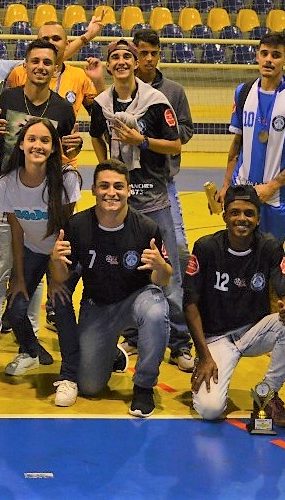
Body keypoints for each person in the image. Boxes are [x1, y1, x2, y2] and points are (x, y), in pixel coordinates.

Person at [0, 39, 79, 368]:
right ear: (25, 64)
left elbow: (64, 155)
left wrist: (73, 148)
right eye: (34, 61)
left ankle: (29, 338)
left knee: (32, 271)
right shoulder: (6, 98)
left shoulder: (63, 109)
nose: (40, 67)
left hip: (42, 203)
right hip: (5, 192)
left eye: (47, 63)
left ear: (55, 68)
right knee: (0, 267)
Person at [89, 38, 191, 369]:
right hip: (123, 202)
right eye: (114, 57)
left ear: (135, 64)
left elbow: (175, 145)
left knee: (169, 272)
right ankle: (134, 337)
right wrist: (109, 168)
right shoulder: (103, 103)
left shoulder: (156, 101)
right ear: (108, 65)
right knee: (129, 269)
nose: (121, 61)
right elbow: (95, 134)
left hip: (154, 197)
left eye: (126, 57)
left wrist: (141, 141)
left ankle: (179, 343)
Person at [49, 159, 172, 417]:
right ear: (93, 190)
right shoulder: (78, 226)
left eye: (118, 186)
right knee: (90, 386)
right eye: (104, 186)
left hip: (136, 299)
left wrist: (161, 266)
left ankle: (143, 387)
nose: (111, 192)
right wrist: (55, 261)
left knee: (156, 312)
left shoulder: (146, 228)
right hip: (98, 305)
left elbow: (163, 280)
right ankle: (112, 354)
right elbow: (61, 277)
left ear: (129, 190)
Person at [184, 185, 285, 427]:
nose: (242, 219)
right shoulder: (206, 248)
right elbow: (190, 305)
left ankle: (267, 395)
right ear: (225, 216)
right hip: (216, 337)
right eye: (235, 212)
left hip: (252, 331)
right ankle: (207, 369)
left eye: (249, 213)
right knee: (210, 410)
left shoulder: (269, 246)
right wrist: (204, 355)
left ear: (258, 218)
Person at [0, 118, 82, 406]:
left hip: (63, 250)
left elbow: (66, 227)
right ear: (21, 144)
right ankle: (32, 352)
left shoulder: (67, 178)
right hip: (31, 251)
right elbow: (16, 231)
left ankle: (70, 373)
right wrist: (18, 276)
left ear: (54, 148)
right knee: (16, 308)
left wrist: (58, 276)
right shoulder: (7, 182)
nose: (38, 145)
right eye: (32, 139)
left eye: (45, 141)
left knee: (61, 306)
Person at [218, 31, 285, 254]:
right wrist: (226, 185)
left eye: (276, 55)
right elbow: (238, 142)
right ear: (257, 56)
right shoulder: (243, 92)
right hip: (241, 192)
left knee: (273, 265)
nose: (269, 60)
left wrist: (271, 186)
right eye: (264, 53)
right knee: (238, 259)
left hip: (277, 198)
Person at [132, 28, 196, 368]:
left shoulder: (173, 91)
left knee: (176, 255)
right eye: (142, 52)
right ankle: (131, 335)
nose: (148, 59)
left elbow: (184, 131)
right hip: (130, 187)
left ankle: (180, 341)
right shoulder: (122, 90)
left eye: (153, 53)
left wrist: (153, 134)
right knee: (132, 256)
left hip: (163, 186)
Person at [5, 20, 103, 164]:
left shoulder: (80, 76)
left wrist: (99, 82)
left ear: (67, 44)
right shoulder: (19, 73)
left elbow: (99, 118)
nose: (51, 43)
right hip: (20, 162)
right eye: (45, 39)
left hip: (62, 165)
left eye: (56, 39)